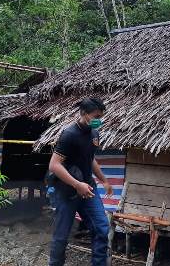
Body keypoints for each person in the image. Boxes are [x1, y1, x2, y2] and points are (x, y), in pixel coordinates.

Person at [48, 98, 113, 266]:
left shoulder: (94, 134)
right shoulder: (69, 134)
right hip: (66, 191)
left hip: (88, 188)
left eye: (101, 116)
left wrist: (104, 180)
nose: (99, 119)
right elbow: (54, 165)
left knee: (101, 228)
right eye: (96, 116)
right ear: (83, 114)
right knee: (61, 236)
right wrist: (77, 185)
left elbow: (90, 159)